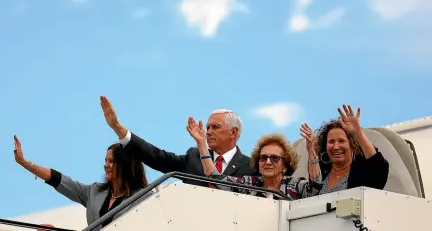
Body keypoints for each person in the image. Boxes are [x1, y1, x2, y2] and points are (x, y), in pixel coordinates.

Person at [100, 96, 255, 187]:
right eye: (208, 127)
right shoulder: (193, 157)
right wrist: (117, 127)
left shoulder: (251, 167)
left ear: (233, 132)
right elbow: (157, 157)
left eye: (215, 127)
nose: (208, 132)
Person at [13, 135, 150, 230]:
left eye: (111, 161)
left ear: (125, 164)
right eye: (105, 161)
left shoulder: (143, 198)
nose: (106, 165)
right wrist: (25, 164)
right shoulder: (95, 191)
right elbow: (60, 180)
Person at [186, 117, 322, 200]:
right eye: (263, 158)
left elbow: (315, 188)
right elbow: (215, 178)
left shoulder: (295, 185)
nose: (268, 162)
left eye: (274, 158)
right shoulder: (250, 183)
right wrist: (201, 144)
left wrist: (311, 151)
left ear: (285, 165)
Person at [312, 105, 389, 194]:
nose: (336, 146)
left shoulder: (361, 173)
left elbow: (379, 168)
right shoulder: (321, 174)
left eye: (341, 141)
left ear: (352, 145)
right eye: (331, 142)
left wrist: (358, 133)